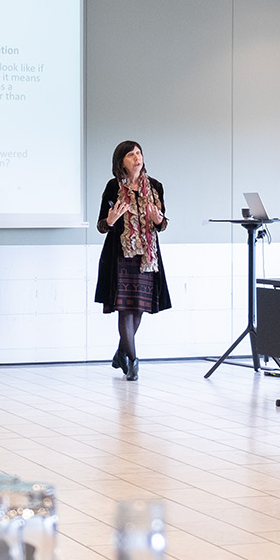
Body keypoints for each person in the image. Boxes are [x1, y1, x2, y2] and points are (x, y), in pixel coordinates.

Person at [93, 141, 170, 381]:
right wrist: (111, 220)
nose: (137, 158)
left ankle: (121, 353)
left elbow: (163, 224)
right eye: (130, 154)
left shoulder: (155, 187)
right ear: (121, 162)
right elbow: (101, 225)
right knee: (125, 309)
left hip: (147, 256)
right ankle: (133, 361)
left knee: (138, 308)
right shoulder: (113, 187)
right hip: (120, 255)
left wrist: (158, 221)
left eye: (139, 153)